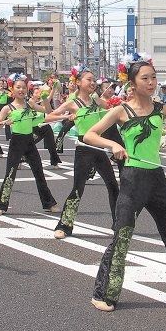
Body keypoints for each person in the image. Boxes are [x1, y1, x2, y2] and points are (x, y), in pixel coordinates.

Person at [85, 54, 166, 312]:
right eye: (145, 78)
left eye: (153, 77)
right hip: (133, 179)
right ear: (132, 83)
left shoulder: (162, 108)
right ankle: (103, 293)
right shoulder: (121, 110)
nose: (151, 82)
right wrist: (113, 144)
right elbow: (89, 135)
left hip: (157, 179)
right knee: (122, 234)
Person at [46, 65, 119, 239]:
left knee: (113, 185)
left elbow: (112, 109)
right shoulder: (73, 103)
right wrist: (66, 116)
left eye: (94, 80)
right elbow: (49, 117)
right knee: (78, 189)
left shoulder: (96, 100)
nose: (93, 83)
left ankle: (119, 223)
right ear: (78, 82)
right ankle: (64, 225)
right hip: (84, 148)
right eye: (89, 80)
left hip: (99, 147)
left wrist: (114, 104)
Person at [0, 73, 58, 215]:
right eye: (18, 87)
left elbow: (48, 111)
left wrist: (45, 98)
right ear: (12, 89)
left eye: (23, 88)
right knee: (10, 174)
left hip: (29, 142)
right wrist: (4, 122)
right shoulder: (7, 108)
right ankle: (2, 205)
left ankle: (48, 203)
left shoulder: (30, 104)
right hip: (16, 142)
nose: (21, 90)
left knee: (39, 173)